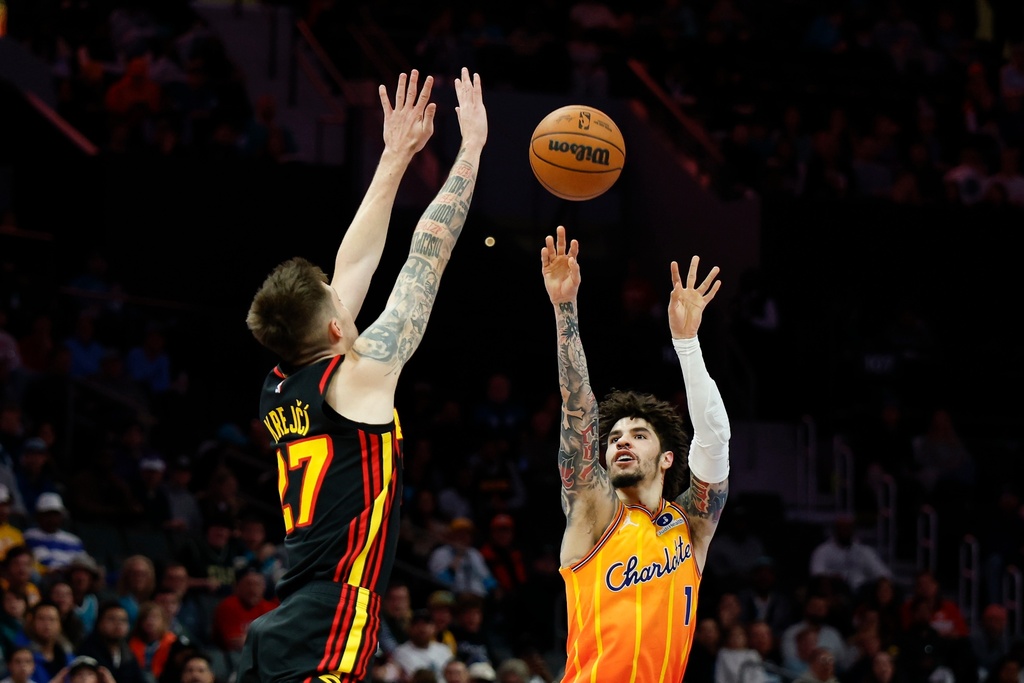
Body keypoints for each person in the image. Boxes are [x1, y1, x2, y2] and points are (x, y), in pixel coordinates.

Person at [237, 66, 487, 683]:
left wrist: (396, 155)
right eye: (334, 296)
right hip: (330, 614)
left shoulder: (280, 383)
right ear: (333, 328)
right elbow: (427, 255)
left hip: (287, 617)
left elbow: (356, 260)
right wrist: (472, 150)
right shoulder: (361, 376)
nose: (341, 289)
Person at [541, 225, 732, 682]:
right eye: (614, 439)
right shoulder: (594, 513)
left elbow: (715, 436)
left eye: (639, 435)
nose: (622, 441)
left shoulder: (691, 525)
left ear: (667, 458)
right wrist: (565, 308)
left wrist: (687, 344)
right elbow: (578, 410)